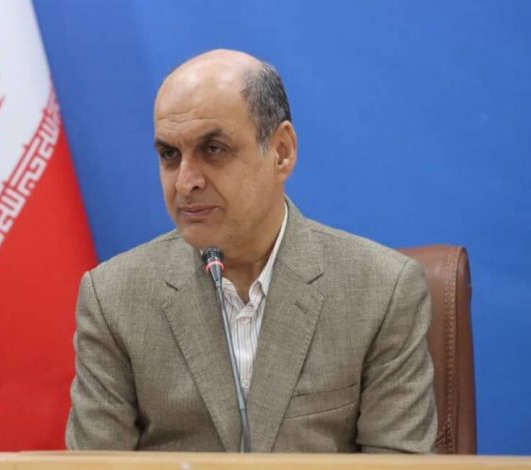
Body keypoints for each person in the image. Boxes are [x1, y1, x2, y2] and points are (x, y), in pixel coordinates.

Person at [65, 49, 437, 453]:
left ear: (281, 151)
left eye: (213, 149)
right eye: (170, 155)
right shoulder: (114, 298)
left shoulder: (381, 292)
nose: (185, 182)